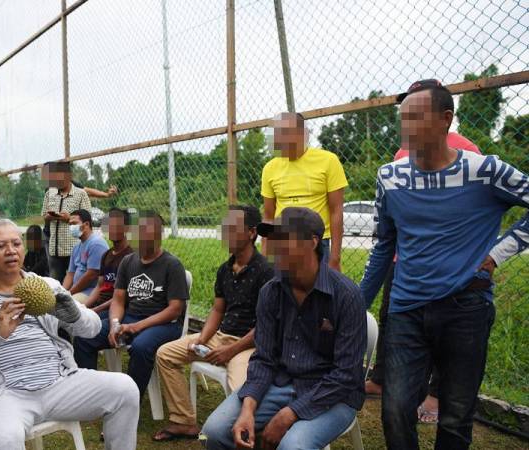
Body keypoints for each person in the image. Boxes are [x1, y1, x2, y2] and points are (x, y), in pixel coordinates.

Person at [360, 79, 529, 450]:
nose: (406, 126)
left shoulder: (486, 171)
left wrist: (498, 254)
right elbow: (383, 244)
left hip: (466, 309)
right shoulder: (390, 177)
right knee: (395, 410)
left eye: (416, 117)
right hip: (406, 309)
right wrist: (355, 305)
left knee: (455, 417)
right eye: (403, 118)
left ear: (445, 120)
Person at [0, 219, 140, 450]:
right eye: (0, 246)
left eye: (16, 243)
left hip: (59, 382)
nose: (11, 251)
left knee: (124, 389)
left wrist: (74, 315)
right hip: (2, 394)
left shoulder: (45, 286)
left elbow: (92, 329)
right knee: (5, 439)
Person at [201, 207, 366, 450]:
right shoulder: (270, 292)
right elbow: (264, 358)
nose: (273, 246)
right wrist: (248, 408)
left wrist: (288, 415)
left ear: (312, 242)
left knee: (292, 447)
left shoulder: (346, 296)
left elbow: (346, 376)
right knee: (214, 432)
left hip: (332, 395)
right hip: (279, 382)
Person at [366, 131, 483, 425]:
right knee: (390, 319)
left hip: (445, 266)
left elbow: (475, 206)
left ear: (443, 115)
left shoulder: (467, 150)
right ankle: (381, 379)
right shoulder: (401, 152)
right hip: (401, 260)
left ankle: (435, 394)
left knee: (445, 330)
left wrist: (491, 253)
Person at [153, 205, 275, 442]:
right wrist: (200, 340)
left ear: (251, 233)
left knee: (243, 389)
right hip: (221, 337)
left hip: (250, 345)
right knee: (166, 354)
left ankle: (249, 436)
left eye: (232, 228)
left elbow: (266, 327)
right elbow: (218, 310)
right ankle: (184, 421)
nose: (226, 233)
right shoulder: (225, 270)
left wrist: (230, 351)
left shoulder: (266, 272)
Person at [74, 211, 190, 398]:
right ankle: (89, 394)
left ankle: (130, 401)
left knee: (141, 347)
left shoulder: (172, 265)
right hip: (130, 318)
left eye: (149, 232)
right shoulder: (128, 262)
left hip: (163, 324)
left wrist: (136, 327)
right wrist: (115, 324)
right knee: (85, 336)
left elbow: (175, 310)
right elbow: (119, 299)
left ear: (160, 235)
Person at [261, 112, 348, 271]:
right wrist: (265, 258)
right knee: (284, 293)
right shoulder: (269, 168)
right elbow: (268, 216)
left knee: (321, 291)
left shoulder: (328, 161)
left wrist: (335, 258)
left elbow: (336, 210)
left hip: (318, 242)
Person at [41, 161, 91, 283]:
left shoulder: (81, 194)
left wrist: (69, 218)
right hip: (54, 249)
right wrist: (49, 216)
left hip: (73, 249)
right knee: (55, 282)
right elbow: (43, 215)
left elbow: (87, 220)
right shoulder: (50, 193)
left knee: (74, 282)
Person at [83, 207, 133, 314]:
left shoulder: (132, 256)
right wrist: (83, 308)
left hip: (115, 308)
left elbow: (123, 297)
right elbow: (99, 286)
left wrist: (94, 311)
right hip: (100, 304)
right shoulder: (106, 255)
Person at [62, 209, 109, 304]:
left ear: (86, 225)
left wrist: (69, 293)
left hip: (90, 292)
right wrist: (62, 291)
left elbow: (90, 275)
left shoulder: (96, 244)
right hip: (77, 290)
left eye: (74, 223)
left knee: (65, 306)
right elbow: (70, 274)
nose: (71, 227)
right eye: (70, 224)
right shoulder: (76, 247)